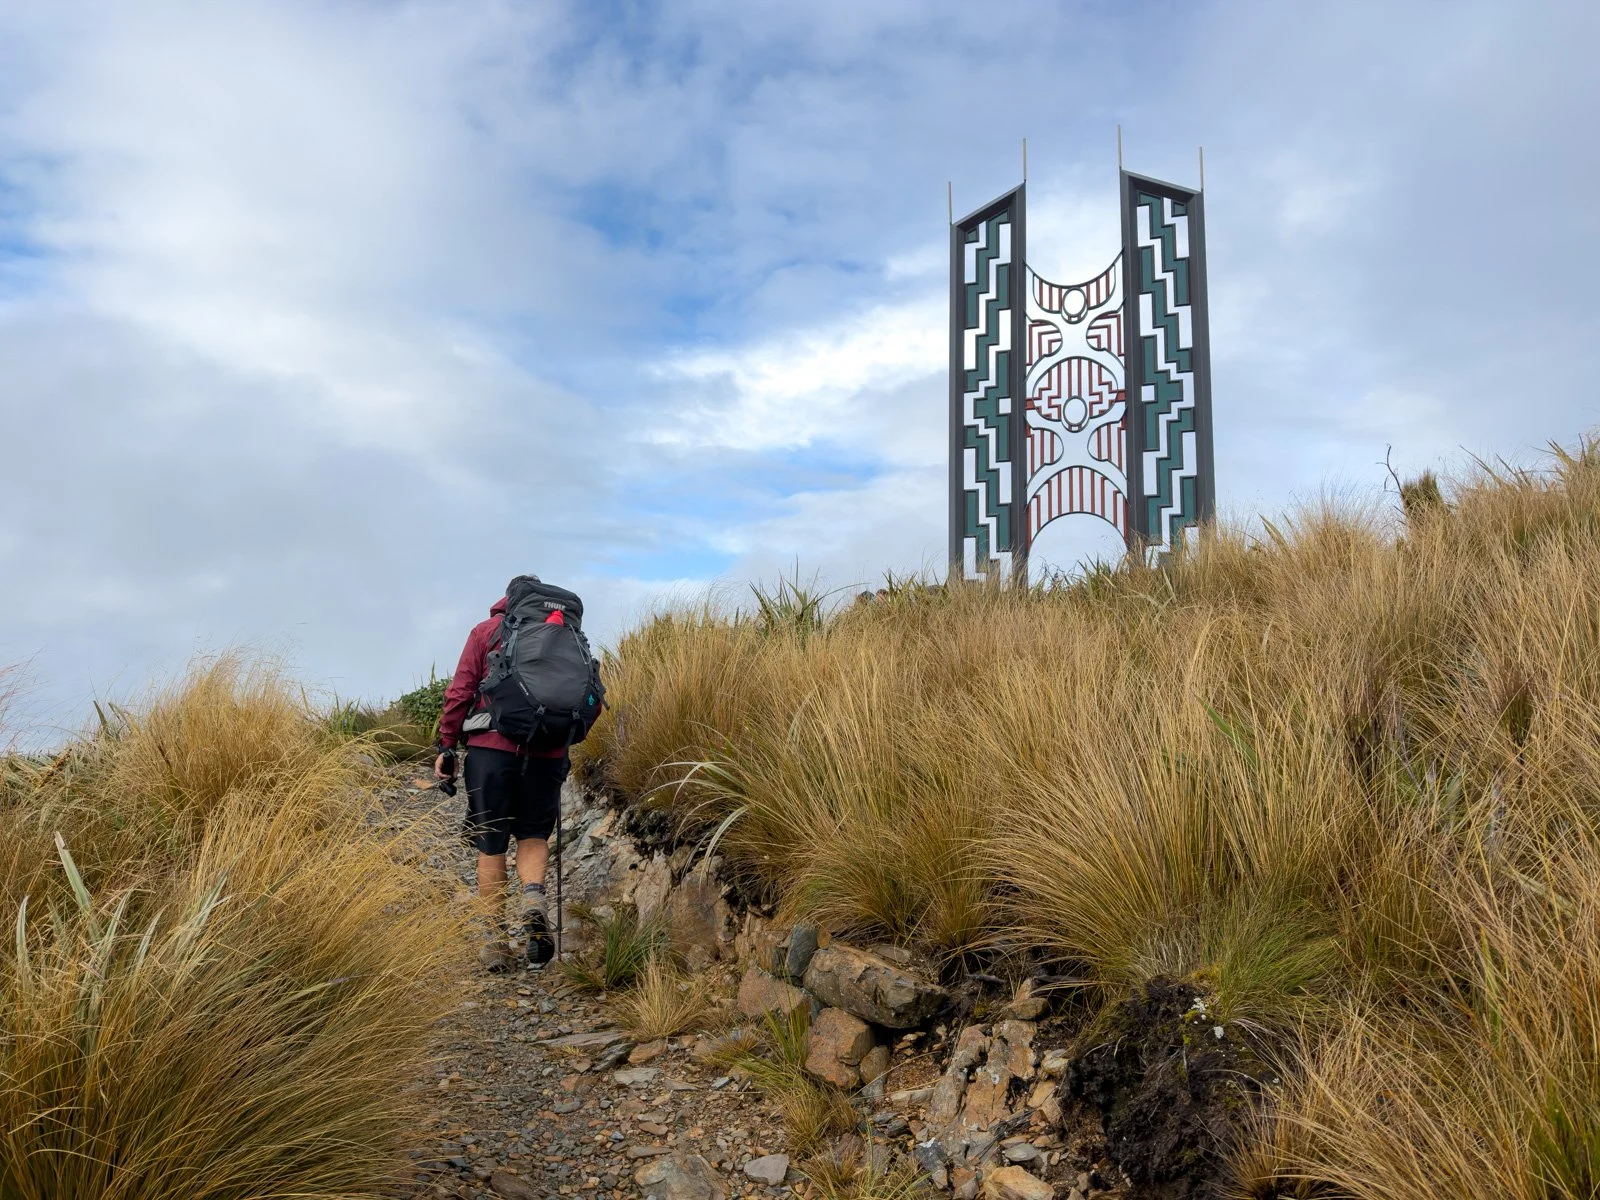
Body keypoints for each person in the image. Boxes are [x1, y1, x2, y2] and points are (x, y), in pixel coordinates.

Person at [435, 590, 569, 971]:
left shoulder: (486, 631)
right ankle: (532, 899)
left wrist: (447, 746)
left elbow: (460, 692)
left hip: (490, 753)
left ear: (504, 602)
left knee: (491, 844)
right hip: (547, 753)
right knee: (533, 837)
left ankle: (495, 941)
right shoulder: (564, 633)